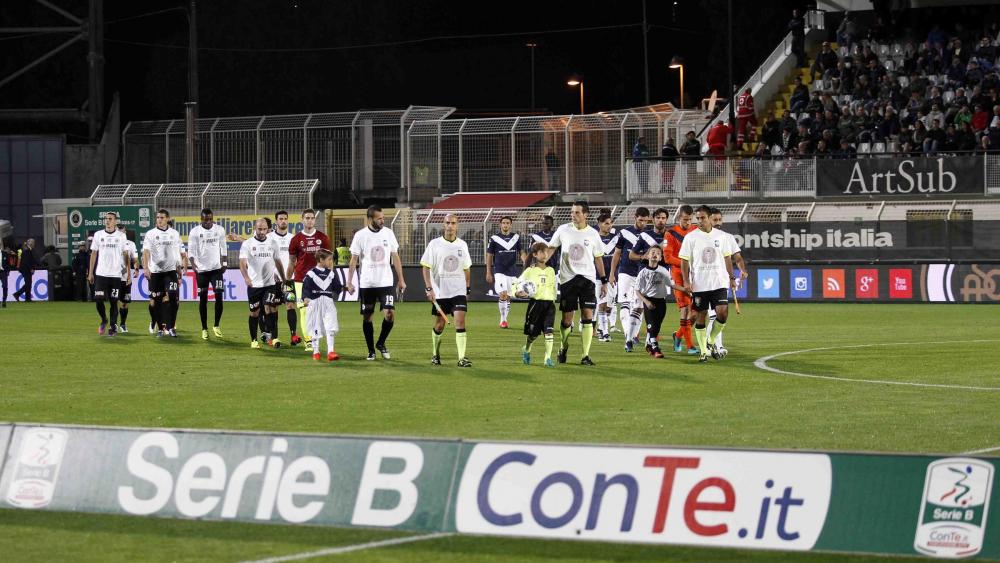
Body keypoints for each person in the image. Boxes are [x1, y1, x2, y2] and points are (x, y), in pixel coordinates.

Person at [548, 201, 606, 366]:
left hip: (587, 279)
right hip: (568, 279)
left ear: (586, 214)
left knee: (587, 316)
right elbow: (552, 247)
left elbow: (598, 257)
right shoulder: (563, 230)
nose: (573, 215)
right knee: (567, 319)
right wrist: (543, 260)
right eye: (572, 212)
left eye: (577, 212)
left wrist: (603, 281)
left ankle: (585, 355)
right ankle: (563, 347)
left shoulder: (593, 233)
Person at [346, 205, 406, 361]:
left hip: (386, 282)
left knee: (390, 314)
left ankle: (381, 343)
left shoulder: (389, 233)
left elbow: (396, 257)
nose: (382, 220)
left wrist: (401, 279)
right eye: (379, 218)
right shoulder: (360, 235)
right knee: (368, 317)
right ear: (370, 219)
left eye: (383, 217)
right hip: (367, 284)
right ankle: (371, 350)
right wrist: (349, 282)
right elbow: (354, 260)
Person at [679, 206, 737, 363]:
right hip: (700, 284)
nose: (699, 221)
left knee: (723, 314)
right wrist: (686, 281)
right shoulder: (691, 237)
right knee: (700, 317)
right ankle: (703, 351)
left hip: (719, 282)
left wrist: (731, 277)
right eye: (697, 218)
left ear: (710, 218)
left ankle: (711, 341)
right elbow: (684, 260)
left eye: (702, 218)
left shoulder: (722, 236)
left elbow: (727, 258)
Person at [421, 213, 473, 367]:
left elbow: (466, 268)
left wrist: (467, 289)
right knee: (439, 325)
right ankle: (435, 354)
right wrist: (429, 288)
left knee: (460, 321)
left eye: (453, 223)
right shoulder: (434, 244)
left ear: (457, 225)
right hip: (440, 292)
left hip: (458, 291)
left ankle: (462, 358)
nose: (450, 226)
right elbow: (425, 267)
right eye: (448, 223)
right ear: (443, 225)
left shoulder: (462, 245)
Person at [504, 242, 557, 367]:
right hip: (536, 305)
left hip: (549, 305)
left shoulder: (551, 270)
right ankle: (527, 350)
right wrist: (517, 293)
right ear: (535, 254)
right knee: (533, 334)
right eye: (542, 252)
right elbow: (516, 284)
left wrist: (553, 299)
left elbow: (553, 288)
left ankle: (547, 358)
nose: (545, 254)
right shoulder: (529, 271)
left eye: (546, 252)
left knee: (549, 332)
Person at [287, 209, 331, 350]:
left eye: (312, 218)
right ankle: (308, 340)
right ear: (302, 219)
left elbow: (329, 260)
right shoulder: (296, 240)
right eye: (307, 218)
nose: (310, 220)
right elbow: (292, 262)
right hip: (301, 280)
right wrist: (288, 280)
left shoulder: (323, 238)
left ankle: (315, 335)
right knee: (304, 310)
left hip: (319, 280)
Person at [706, 208, 748, 358]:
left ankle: (714, 345)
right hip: (704, 280)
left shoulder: (728, 237)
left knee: (718, 315)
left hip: (722, 281)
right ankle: (709, 345)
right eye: (714, 220)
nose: (717, 223)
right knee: (697, 316)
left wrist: (742, 270)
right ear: (708, 220)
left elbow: (737, 258)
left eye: (719, 220)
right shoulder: (701, 237)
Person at [608, 207, 650, 353]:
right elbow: (617, 254)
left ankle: (632, 335)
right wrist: (612, 274)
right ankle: (628, 336)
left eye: (645, 221)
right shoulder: (625, 233)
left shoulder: (648, 235)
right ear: (635, 217)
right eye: (641, 220)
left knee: (638, 307)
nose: (643, 223)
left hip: (642, 274)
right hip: (625, 272)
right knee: (625, 303)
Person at [240, 218, 286, 349]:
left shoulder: (272, 243)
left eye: (264, 229)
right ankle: (253, 340)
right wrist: (246, 278)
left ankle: (275, 338)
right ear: (255, 228)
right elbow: (242, 263)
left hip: (270, 284)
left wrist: (283, 279)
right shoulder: (247, 244)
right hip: (254, 285)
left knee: (270, 307)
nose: (262, 232)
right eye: (259, 229)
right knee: (254, 312)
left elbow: (278, 262)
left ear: (268, 229)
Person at [636, 246, 689, 358]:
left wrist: (685, 289)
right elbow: (637, 290)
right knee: (652, 326)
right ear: (648, 256)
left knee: (657, 327)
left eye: (658, 253)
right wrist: (646, 302)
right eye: (653, 252)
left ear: (660, 258)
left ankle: (650, 346)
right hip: (649, 301)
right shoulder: (643, 272)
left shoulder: (663, 271)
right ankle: (655, 348)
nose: (655, 254)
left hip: (661, 302)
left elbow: (672, 284)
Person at [628, 207, 669, 351]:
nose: (661, 220)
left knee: (656, 313)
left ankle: (649, 343)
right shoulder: (645, 235)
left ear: (666, 220)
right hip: (644, 278)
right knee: (638, 308)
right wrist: (643, 257)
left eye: (663, 218)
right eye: (658, 217)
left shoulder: (670, 236)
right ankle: (628, 340)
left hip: (661, 280)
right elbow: (631, 255)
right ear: (653, 219)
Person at [142, 209, 185, 337]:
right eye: (158, 217)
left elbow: (177, 252)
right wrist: (146, 268)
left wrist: (179, 269)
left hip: (170, 272)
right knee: (157, 301)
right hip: (156, 272)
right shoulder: (150, 234)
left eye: (162, 217)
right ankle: (160, 328)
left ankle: (171, 327)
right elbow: (146, 252)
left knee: (173, 297)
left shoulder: (174, 234)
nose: (159, 220)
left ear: (167, 218)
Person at [187, 208, 228, 340]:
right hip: (202, 271)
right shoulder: (194, 232)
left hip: (216, 270)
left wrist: (225, 263)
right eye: (206, 219)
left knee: (219, 296)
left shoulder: (219, 230)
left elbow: (223, 247)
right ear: (201, 219)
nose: (209, 222)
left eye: (210, 219)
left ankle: (216, 325)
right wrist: (194, 268)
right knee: (203, 299)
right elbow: (191, 252)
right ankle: (204, 328)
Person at [88, 212, 131, 337]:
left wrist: (128, 273)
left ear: (115, 222)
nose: (107, 221)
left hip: (115, 275)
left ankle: (112, 327)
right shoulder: (98, 235)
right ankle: (104, 319)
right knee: (98, 299)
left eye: (110, 219)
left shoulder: (121, 236)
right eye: (106, 219)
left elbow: (126, 255)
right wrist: (90, 272)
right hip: (101, 274)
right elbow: (94, 254)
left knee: (113, 302)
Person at [301, 248, 342, 361]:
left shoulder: (331, 274)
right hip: (315, 303)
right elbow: (306, 288)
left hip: (328, 303)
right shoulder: (311, 274)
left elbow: (337, 287)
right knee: (315, 326)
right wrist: (305, 298)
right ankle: (316, 351)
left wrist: (340, 290)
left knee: (330, 326)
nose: (331, 262)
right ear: (321, 259)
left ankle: (331, 352)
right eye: (329, 260)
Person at [268, 210, 298, 347]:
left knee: (290, 305)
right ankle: (275, 338)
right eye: (280, 219)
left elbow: (295, 259)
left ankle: (293, 335)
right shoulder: (269, 238)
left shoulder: (293, 238)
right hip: (273, 280)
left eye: (285, 218)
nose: (283, 221)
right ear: (276, 221)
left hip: (288, 279)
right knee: (273, 308)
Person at [485, 215, 521, 329]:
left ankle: (505, 318)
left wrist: (527, 263)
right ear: (500, 224)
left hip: (512, 271)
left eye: (507, 223)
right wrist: (488, 272)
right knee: (503, 294)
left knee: (509, 295)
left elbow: (522, 252)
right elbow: (489, 255)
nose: (505, 225)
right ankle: (503, 320)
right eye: (503, 223)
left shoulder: (516, 237)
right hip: (499, 270)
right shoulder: (494, 238)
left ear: (511, 224)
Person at [594, 210, 619, 342]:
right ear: (599, 224)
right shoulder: (594, 238)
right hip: (599, 277)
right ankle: (604, 332)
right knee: (602, 305)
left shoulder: (615, 238)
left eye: (610, 223)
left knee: (609, 306)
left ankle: (600, 328)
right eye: (606, 223)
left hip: (613, 277)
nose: (609, 226)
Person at [117, 224, 139, 332]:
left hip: (126, 277)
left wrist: (136, 268)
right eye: (120, 231)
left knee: (124, 302)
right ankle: (113, 323)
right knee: (114, 301)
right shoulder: (112, 243)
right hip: (114, 276)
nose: (122, 234)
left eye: (123, 232)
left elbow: (134, 259)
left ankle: (123, 324)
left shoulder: (131, 244)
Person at [0, 240, 12, 307]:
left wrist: (8, 271)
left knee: (5, 286)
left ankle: (4, 301)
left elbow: (8, 264)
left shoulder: (5, 254)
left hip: (3, 272)